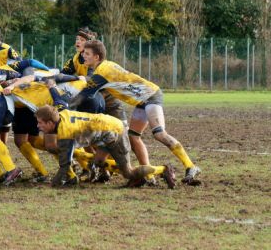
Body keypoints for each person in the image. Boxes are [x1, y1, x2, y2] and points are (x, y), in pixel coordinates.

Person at [76, 40, 201, 185]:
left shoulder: (101, 72)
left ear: (96, 57)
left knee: (159, 134)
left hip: (150, 96)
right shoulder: (105, 67)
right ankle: (148, 176)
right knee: (133, 137)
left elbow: (84, 94)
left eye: (87, 54)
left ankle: (191, 166)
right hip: (142, 102)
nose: (83, 56)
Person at [35, 105, 176, 189]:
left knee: (128, 173)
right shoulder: (61, 115)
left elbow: (65, 165)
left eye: (40, 123)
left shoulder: (65, 132)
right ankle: (139, 178)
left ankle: (163, 169)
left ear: (50, 123)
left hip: (114, 132)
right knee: (98, 162)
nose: (38, 126)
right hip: (105, 130)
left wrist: (54, 183)